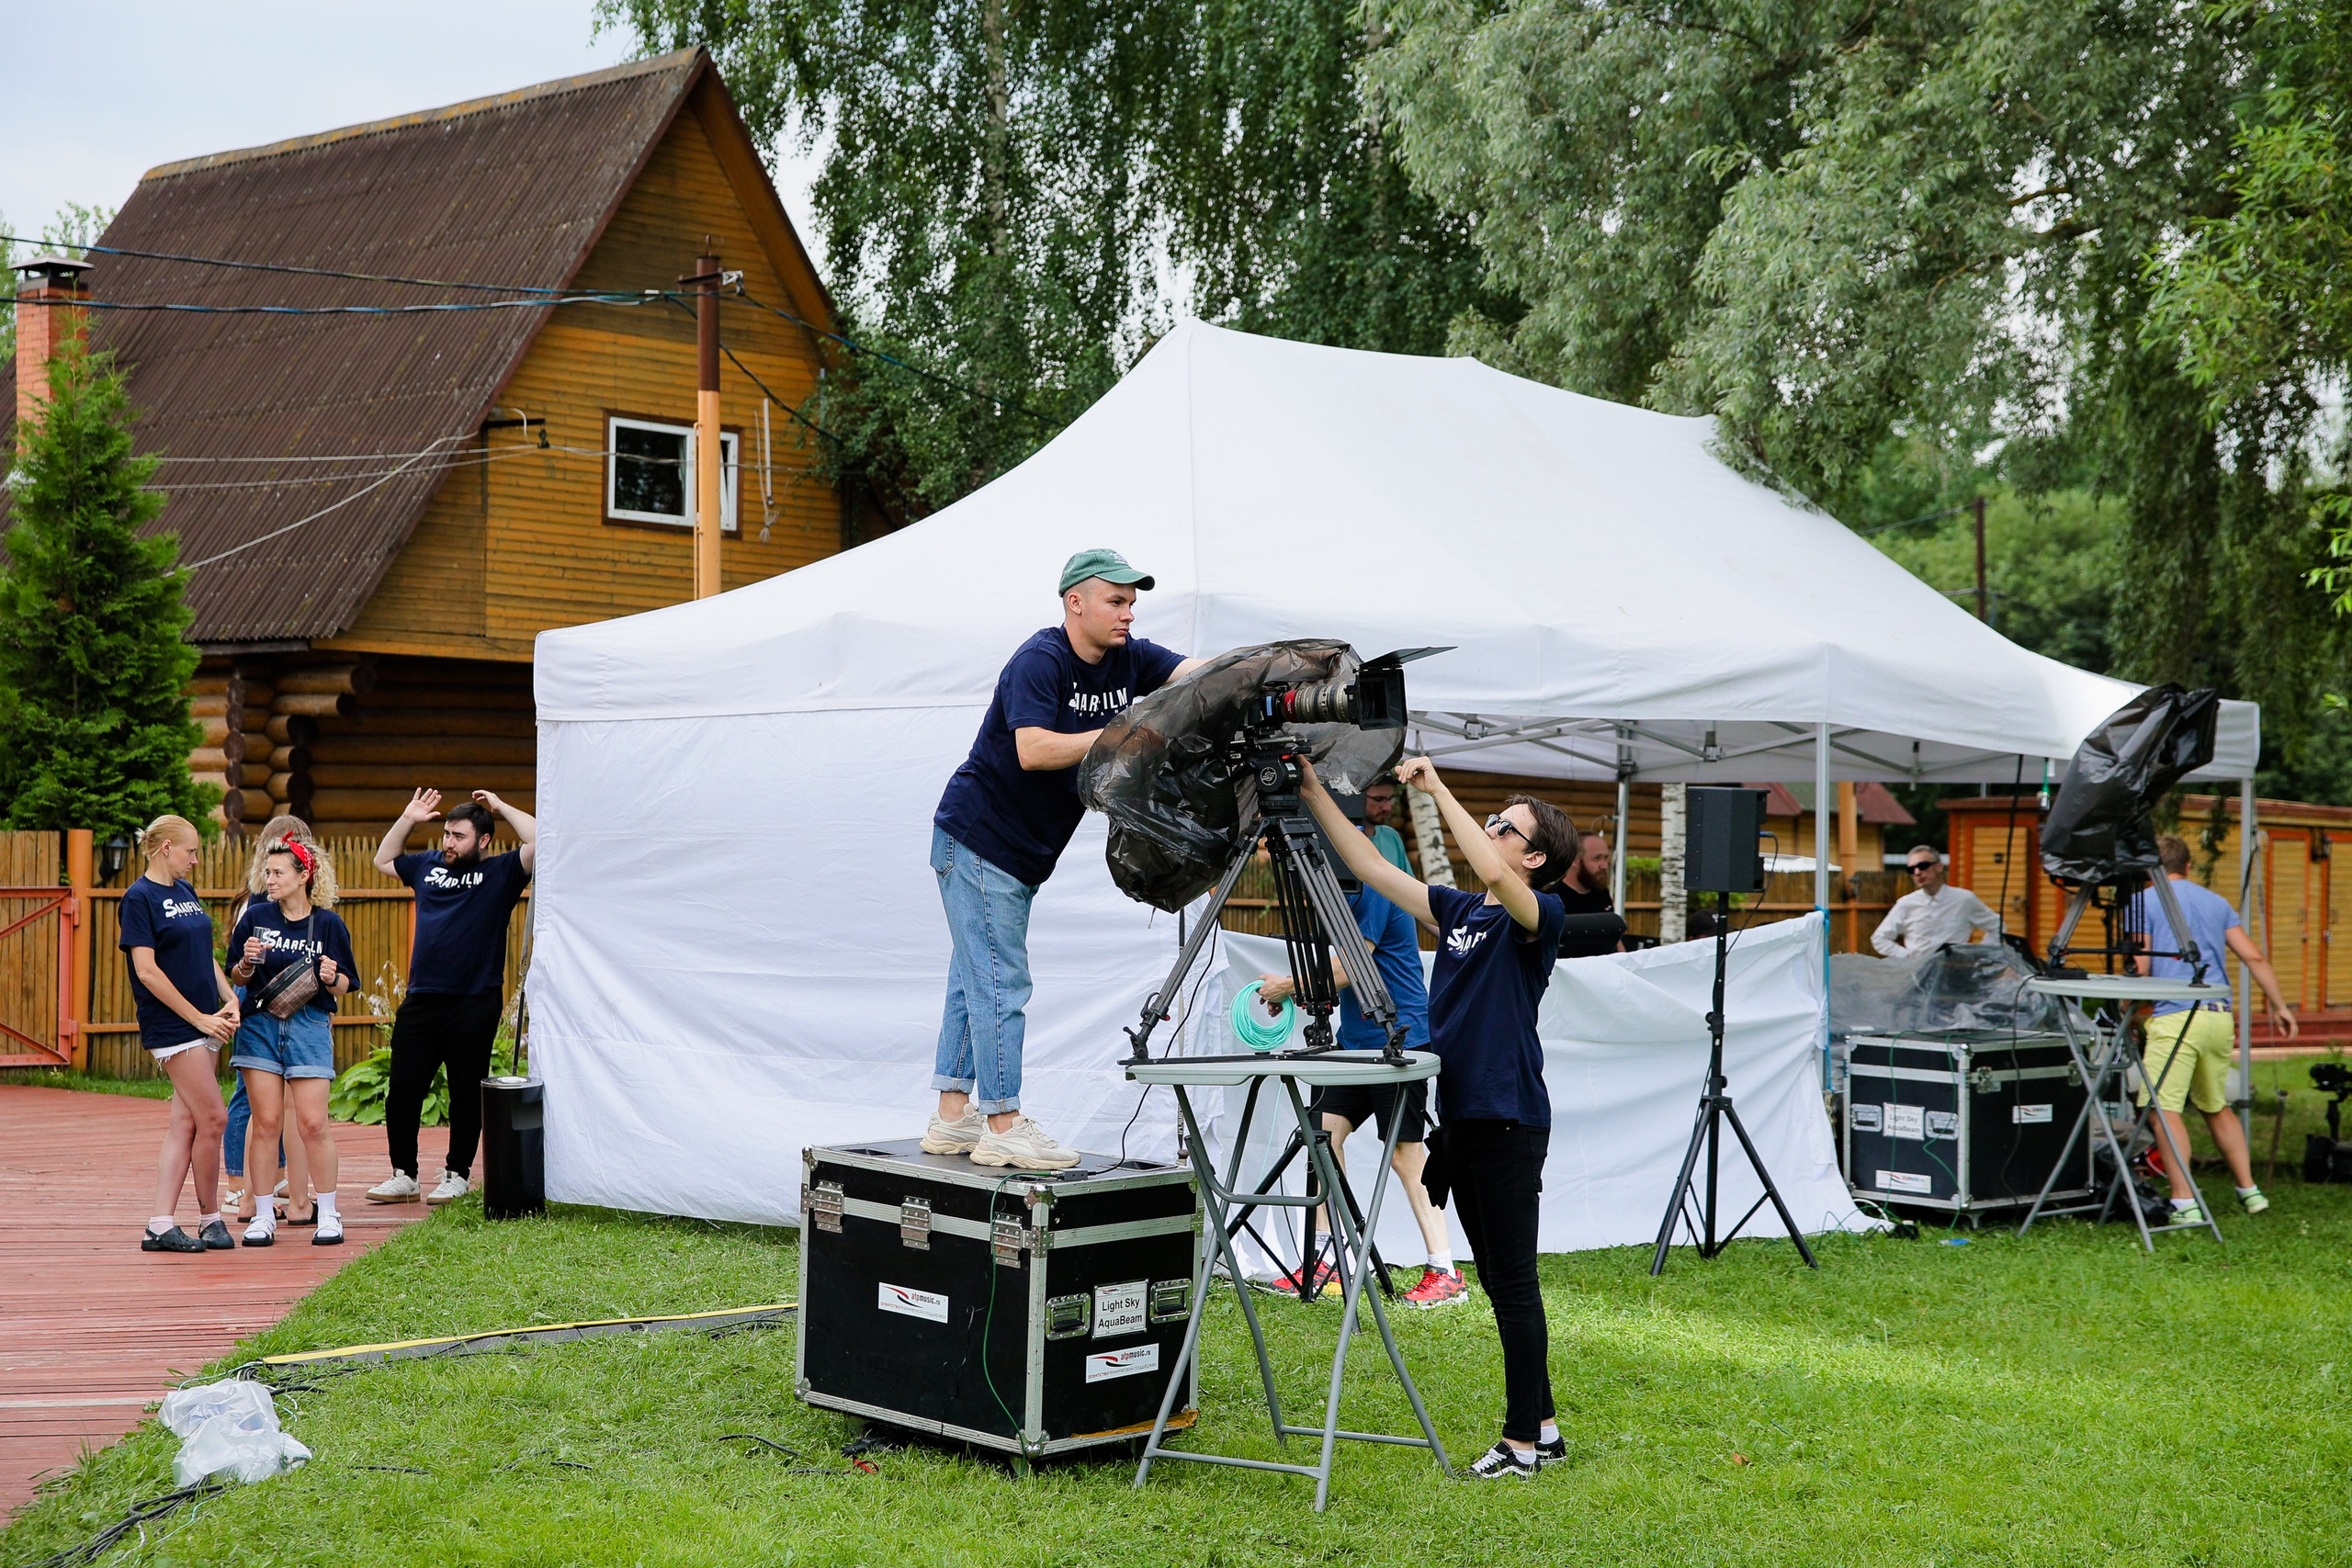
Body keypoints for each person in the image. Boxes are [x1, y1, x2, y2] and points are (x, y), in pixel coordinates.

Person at [1305, 755, 1576, 1480]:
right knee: (1495, 1277)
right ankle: (1543, 1425)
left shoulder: (1538, 915)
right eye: (1493, 823)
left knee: (1514, 1284)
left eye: (1505, 827)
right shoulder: (1459, 911)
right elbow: (1366, 859)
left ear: (1535, 855)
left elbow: (1493, 874)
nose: (1490, 832)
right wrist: (1313, 790)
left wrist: (1437, 788)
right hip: (1464, 1117)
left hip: (1511, 1119)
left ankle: (1521, 1443)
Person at [922, 549, 1204, 1169]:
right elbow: (1033, 747)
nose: (1128, 613)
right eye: (1116, 600)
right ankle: (1003, 1121)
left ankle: (951, 1117)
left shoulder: (1129, 657)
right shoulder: (1040, 659)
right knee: (1000, 982)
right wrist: (1121, 734)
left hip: (1017, 855)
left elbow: (1195, 673)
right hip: (978, 840)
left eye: (1133, 602)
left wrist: (1258, 674)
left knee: (974, 979)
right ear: (1076, 601)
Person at [1251, 781, 1465, 1310]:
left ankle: (1445, 1270)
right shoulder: (1339, 889)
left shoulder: (1374, 885)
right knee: (1321, 1141)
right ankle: (1326, 1259)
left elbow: (1354, 965)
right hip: (1355, 1044)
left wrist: (1287, 986)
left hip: (1401, 1042)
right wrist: (1299, 993)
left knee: (1405, 1154)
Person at [368, 789, 535, 1205]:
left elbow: (542, 840)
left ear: (483, 841)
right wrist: (408, 818)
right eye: (445, 833)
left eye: (458, 836)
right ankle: (404, 1174)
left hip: (475, 999)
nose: (448, 843)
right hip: (423, 997)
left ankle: (457, 1174)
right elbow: (382, 861)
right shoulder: (427, 866)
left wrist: (501, 807)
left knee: (464, 1091)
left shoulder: (501, 872)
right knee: (404, 1088)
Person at [2131, 833, 2298, 1221]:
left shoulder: (2141, 901)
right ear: (2187, 866)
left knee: (2162, 1109)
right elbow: (2253, 956)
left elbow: (2139, 968)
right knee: (2215, 1106)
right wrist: (2280, 1005)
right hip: (2217, 1015)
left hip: (2176, 1016)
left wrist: (2125, 1010)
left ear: (2148, 871)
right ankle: (2250, 1190)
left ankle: (2184, 1201)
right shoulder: (2216, 902)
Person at [226, 838, 357, 1246]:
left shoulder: (329, 924)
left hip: (309, 1025)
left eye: (278, 872)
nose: (270, 880)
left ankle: (329, 1213)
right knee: (265, 1123)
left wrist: (332, 975)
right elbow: (236, 975)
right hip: (260, 1027)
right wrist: (247, 962)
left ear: (304, 877)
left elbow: (346, 985)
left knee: (314, 1123)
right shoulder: (256, 918)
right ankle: (263, 1214)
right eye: (268, 872)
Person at [120, 816, 238, 1254]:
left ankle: (159, 1224)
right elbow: (147, 971)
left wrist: (229, 996)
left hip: (204, 1018)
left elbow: (201, 953)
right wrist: (199, 1019)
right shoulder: (139, 898)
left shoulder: (185, 892)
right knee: (214, 1118)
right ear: (165, 847)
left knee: (185, 1122)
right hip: (174, 1025)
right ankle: (210, 1219)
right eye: (190, 851)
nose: (196, 859)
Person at [222, 816, 317, 1225]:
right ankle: (240, 1187)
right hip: (259, 1000)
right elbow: (238, 964)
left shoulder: (297, 904)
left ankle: (275, 1186)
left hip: (297, 1006)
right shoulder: (257, 903)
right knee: (254, 1100)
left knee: (280, 1105)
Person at [1871, 844, 2003, 956]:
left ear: (1938, 867)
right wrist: (1907, 957)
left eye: (1923, 866)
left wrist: (1980, 954)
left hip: (1955, 972)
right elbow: (1879, 938)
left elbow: (1997, 926)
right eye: (1911, 869)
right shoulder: (1906, 904)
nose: (1917, 872)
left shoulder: (1964, 900)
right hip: (1918, 975)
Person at [1555, 828, 1623, 958]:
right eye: (1597, 859)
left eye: (1605, 858)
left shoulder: (1602, 894)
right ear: (1575, 860)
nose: (1604, 865)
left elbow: (1616, 939)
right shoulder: (1552, 899)